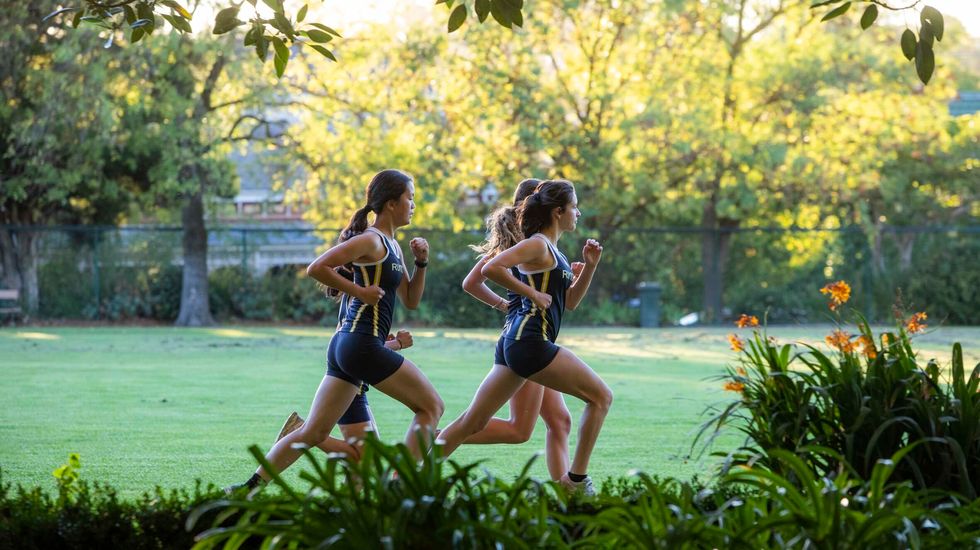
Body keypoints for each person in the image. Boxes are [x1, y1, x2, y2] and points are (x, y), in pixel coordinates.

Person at [227, 169, 443, 493]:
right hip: (360, 346)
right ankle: (397, 489)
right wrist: (360, 292)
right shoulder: (371, 240)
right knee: (431, 407)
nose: (413, 204)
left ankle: (249, 488)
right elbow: (317, 267)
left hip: (351, 347)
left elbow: (411, 300)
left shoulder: (394, 248)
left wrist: (421, 263)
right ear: (391, 203)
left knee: (314, 433)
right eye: (410, 198)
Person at [437, 179, 612, 496]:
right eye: (574, 207)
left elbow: (569, 303)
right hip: (531, 343)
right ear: (558, 211)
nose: (578, 212)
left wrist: (589, 267)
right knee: (600, 398)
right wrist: (529, 293)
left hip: (516, 344)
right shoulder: (537, 245)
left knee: (473, 422)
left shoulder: (551, 249)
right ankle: (575, 483)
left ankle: (407, 473)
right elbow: (490, 269)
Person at [457, 178, 574, 481]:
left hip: (531, 334)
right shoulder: (524, 242)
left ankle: (567, 495)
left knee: (560, 421)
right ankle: (435, 437)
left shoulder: (538, 241)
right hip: (526, 337)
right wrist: (510, 302)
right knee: (517, 429)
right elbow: (473, 281)